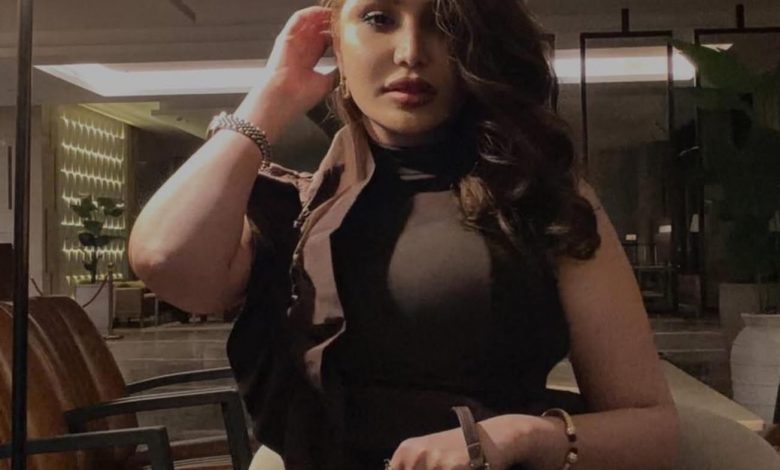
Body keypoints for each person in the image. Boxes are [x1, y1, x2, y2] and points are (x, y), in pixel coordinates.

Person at [128, 0, 679, 469]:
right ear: (334, 39)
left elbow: (653, 428)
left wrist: (521, 434)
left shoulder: (540, 198)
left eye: (442, 23)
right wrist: (274, 93)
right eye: (379, 18)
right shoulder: (295, 211)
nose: (412, 51)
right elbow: (162, 257)